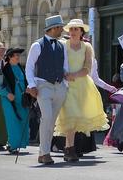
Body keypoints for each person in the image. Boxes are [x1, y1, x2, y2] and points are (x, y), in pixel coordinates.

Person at [54, 19, 109, 162]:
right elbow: (57, 63)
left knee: (77, 118)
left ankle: (69, 148)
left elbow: (88, 68)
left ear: (81, 32)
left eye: (76, 29)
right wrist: (64, 75)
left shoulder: (87, 47)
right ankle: (70, 149)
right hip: (66, 85)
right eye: (71, 29)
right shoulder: (62, 45)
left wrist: (75, 75)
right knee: (70, 116)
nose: (72, 32)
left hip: (82, 86)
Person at [25, 14, 69, 165]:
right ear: (54, 28)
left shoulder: (61, 45)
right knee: (47, 118)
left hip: (59, 87)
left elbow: (65, 67)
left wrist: (65, 85)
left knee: (52, 122)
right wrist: (31, 85)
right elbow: (29, 67)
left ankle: (43, 152)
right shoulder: (37, 45)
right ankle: (45, 152)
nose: (62, 30)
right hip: (43, 85)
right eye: (60, 27)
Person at [0, 48, 29, 154]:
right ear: (9, 57)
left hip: (22, 99)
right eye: (16, 55)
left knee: (23, 120)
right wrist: (7, 94)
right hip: (9, 100)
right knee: (12, 122)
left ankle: (20, 143)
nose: (18, 57)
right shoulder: (4, 70)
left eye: (18, 55)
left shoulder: (21, 68)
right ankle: (12, 144)